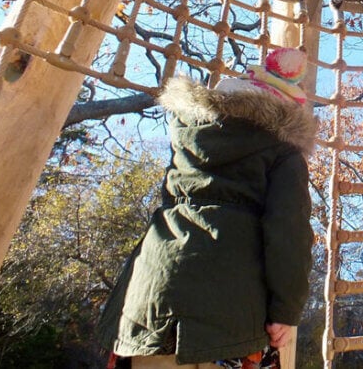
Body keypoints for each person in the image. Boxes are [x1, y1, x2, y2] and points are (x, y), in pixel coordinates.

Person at [97, 48, 318, 369]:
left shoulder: (188, 136)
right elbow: (289, 233)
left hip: (150, 293)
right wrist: (285, 310)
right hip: (228, 311)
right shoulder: (282, 152)